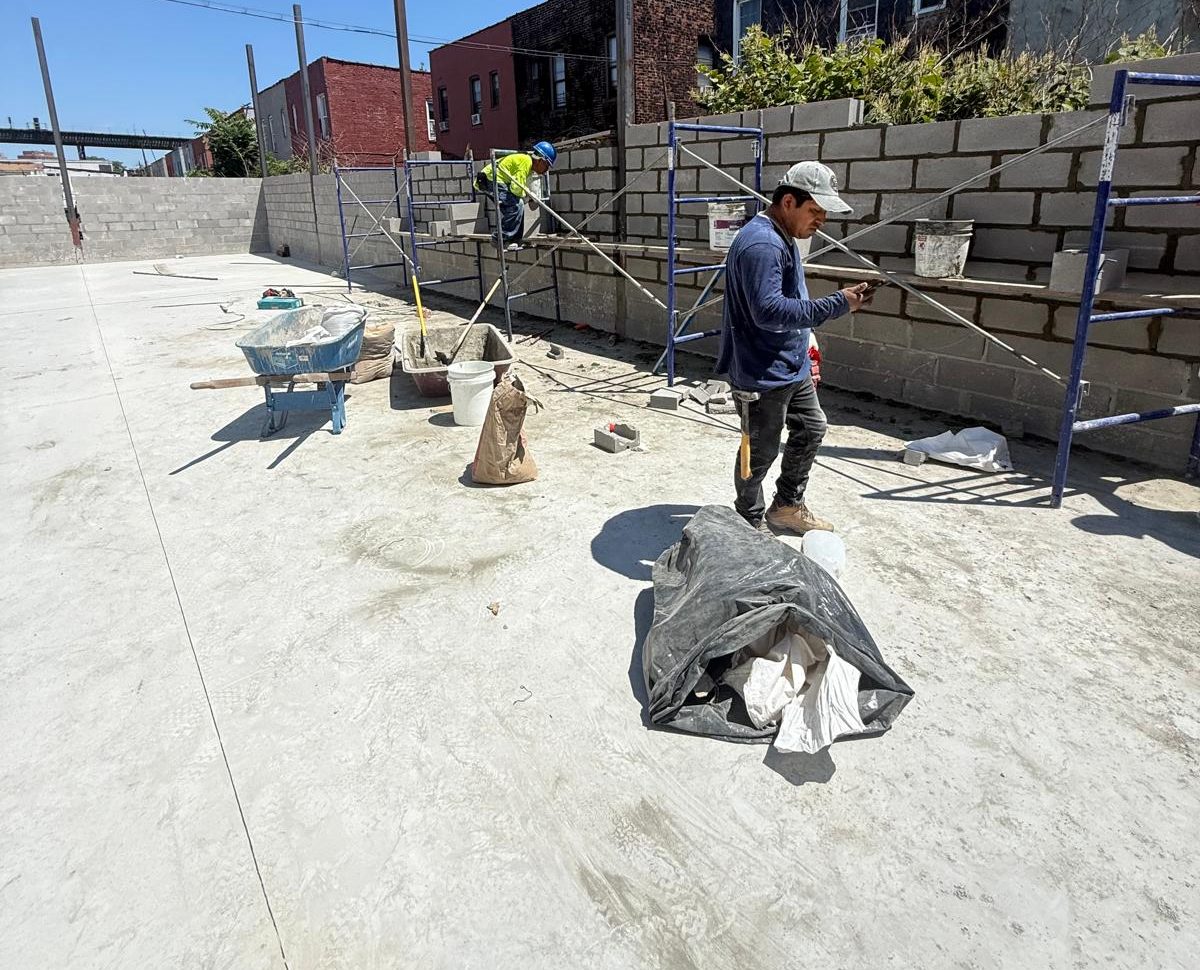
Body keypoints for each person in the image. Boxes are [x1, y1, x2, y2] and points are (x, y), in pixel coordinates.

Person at [716, 160, 874, 535]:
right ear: (788, 202)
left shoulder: (783, 236)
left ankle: (786, 505)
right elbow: (768, 311)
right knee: (760, 450)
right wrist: (837, 304)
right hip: (761, 370)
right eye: (815, 211)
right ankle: (748, 520)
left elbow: (789, 298)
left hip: (790, 361)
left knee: (811, 427)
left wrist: (807, 338)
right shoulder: (762, 244)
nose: (821, 220)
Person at [474, 141, 557, 250]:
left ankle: (515, 239)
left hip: (498, 180)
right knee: (515, 206)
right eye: (546, 166)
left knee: (519, 204)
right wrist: (527, 195)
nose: (546, 170)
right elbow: (516, 188)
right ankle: (500, 239)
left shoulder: (527, 164)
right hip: (491, 179)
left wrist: (525, 195)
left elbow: (518, 186)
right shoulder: (525, 162)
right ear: (540, 160)